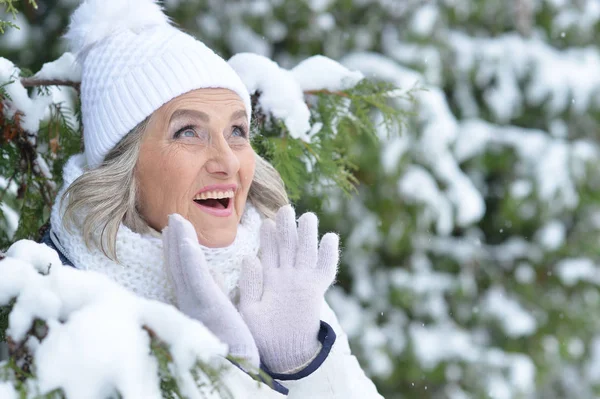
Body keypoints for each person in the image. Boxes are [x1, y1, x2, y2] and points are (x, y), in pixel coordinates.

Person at [41, 0, 384, 397]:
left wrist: (300, 364)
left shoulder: (274, 279)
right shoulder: (58, 305)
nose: (227, 162)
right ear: (124, 163)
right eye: (189, 132)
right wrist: (222, 366)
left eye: (237, 130)